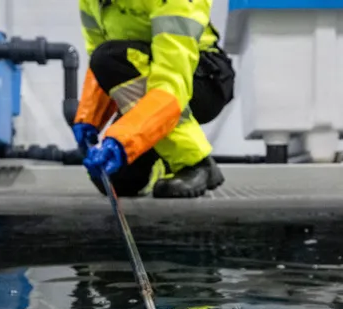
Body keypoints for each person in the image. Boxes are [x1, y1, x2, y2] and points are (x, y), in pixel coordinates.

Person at [72, 0, 235, 199]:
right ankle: (162, 161)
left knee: (109, 57)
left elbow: (171, 86)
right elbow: (102, 64)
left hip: (202, 78)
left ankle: (196, 163)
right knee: (117, 181)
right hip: (146, 76)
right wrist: (89, 118)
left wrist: (123, 141)